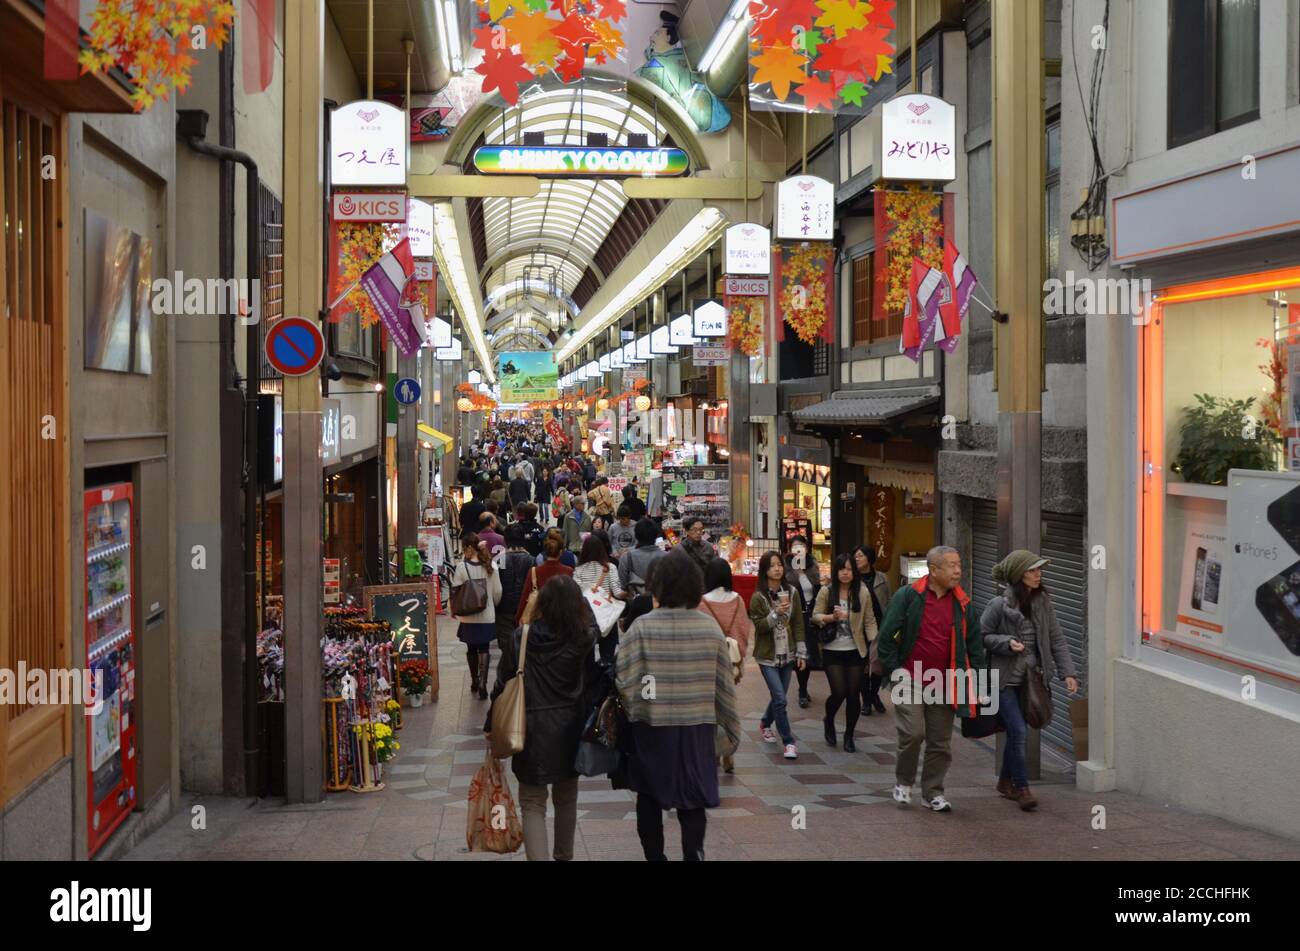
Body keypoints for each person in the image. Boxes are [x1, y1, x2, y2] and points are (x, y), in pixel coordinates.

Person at [616, 549, 741, 861]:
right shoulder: (709, 629)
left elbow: (625, 680)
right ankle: (693, 852)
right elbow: (723, 685)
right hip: (697, 727)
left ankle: (655, 857)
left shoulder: (642, 628)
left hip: (652, 729)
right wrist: (729, 729)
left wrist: (637, 711)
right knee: (692, 798)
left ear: (658, 585)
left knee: (648, 796)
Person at [488, 576, 600, 861]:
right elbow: (591, 683)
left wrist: (491, 725)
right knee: (566, 798)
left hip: (530, 730)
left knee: (532, 802)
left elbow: (502, 684)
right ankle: (564, 856)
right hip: (569, 729)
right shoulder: (583, 639)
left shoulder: (521, 637)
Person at [877, 545, 984, 812]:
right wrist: (894, 670)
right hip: (910, 678)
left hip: (944, 681)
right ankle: (903, 782)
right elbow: (887, 636)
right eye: (951, 565)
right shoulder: (908, 597)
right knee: (913, 734)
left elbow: (975, 648)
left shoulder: (963, 604)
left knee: (940, 742)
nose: (958, 570)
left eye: (959, 564)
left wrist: (981, 685)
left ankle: (932, 792)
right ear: (933, 570)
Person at [981, 550, 1080, 811]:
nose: (1039, 574)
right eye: (1032, 570)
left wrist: (1068, 673)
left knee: (1017, 732)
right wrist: (1005, 642)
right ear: (1018, 575)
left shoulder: (1043, 601)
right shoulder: (997, 605)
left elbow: (1056, 638)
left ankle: (1004, 781)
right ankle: (1022, 788)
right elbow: (982, 636)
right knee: (1019, 731)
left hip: (1030, 680)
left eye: (1039, 570)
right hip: (1002, 680)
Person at [811, 554, 877, 752]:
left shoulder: (862, 592)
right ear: (836, 571)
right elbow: (815, 616)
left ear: (854, 571)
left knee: (853, 694)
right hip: (832, 649)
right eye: (842, 569)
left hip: (856, 650)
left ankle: (849, 734)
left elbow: (869, 620)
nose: (846, 573)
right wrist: (832, 617)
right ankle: (829, 719)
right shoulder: (827, 591)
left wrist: (874, 644)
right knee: (839, 692)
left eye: (849, 569)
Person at [749, 550, 806, 759]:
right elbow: (760, 627)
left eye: (779, 564)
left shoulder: (792, 592)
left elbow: (799, 622)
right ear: (765, 570)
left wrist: (801, 651)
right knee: (781, 699)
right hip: (767, 656)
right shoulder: (758, 598)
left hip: (788, 653)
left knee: (778, 696)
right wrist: (776, 614)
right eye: (772, 565)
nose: (777, 568)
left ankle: (765, 722)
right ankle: (789, 741)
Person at [698, 558, 753, 774]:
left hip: (707, 664)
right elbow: (743, 631)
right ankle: (728, 753)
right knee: (727, 707)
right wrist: (739, 655)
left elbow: (700, 635)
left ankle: (713, 752)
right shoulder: (738, 600)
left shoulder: (702, 602)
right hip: (730, 664)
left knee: (710, 710)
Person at [451, 532, 503, 701]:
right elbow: (497, 592)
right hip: (487, 615)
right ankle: (483, 683)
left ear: (467, 548)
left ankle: (474, 680)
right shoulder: (491, 566)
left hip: (468, 617)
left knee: (471, 648)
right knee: (484, 648)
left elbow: (455, 591)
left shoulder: (461, 567)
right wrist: (492, 605)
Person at [853, 545, 891, 715]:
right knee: (862, 665)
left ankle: (874, 695)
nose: (857, 559)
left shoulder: (882, 578)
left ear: (869, 558)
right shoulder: (852, 580)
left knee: (877, 666)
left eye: (860, 556)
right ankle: (866, 700)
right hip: (859, 629)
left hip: (880, 627)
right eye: (855, 556)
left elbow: (889, 603)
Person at [786, 536, 823, 710]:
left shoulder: (812, 565)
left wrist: (802, 571)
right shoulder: (785, 565)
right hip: (793, 616)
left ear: (807, 548)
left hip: (810, 614)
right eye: (795, 546)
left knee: (807, 653)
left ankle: (803, 688)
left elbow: (817, 586)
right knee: (798, 654)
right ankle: (801, 689)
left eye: (801, 545)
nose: (798, 549)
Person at [517, 530, 575, 624]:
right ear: (561, 552)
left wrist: (518, 618)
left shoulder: (534, 572)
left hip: (539, 624)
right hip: (562, 622)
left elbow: (524, 599)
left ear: (545, 551)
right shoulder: (568, 571)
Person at [496, 525, 536, 647]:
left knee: (506, 644)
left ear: (505, 540)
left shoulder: (501, 558)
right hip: (525, 607)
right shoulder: (530, 559)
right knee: (524, 643)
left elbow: (496, 585)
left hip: (504, 607)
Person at [618, 517, 665, 599]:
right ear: (656, 535)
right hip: (661, 602)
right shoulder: (667, 557)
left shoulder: (626, 557)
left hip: (636, 604)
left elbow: (623, 585)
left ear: (636, 535)